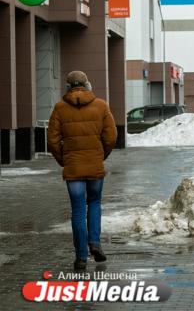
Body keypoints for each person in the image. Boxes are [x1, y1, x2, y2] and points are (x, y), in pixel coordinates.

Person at [48, 71, 117, 271]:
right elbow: (111, 136)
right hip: (94, 165)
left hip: (73, 167)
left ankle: (80, 257)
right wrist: (101, 155)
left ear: (68, 87)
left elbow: (52, 140)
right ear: (87, 84)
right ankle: (94, 243)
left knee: (78, 210)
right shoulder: (101, 105)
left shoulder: (60, 108)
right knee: (94, 203)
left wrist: (64, 159)